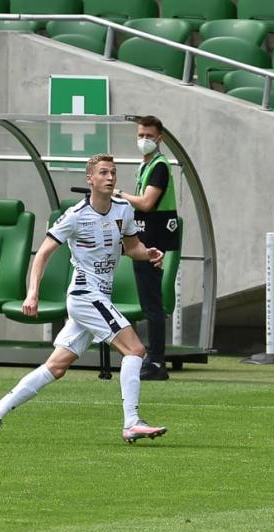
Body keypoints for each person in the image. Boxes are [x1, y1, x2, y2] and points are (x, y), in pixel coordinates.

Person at [0, 154, 167, 445]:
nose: (110, 177)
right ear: (90, 179)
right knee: (135, 349)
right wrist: (32, 292)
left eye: (113, 172)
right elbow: (42, 254)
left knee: (56, 367)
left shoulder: (124, 210)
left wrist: (149, 253)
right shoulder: (76, 215)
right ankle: (131, 423)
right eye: (103, 172)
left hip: (99, 297)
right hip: (84, 295)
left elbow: (132, 248)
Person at [113, 115, 180, 381]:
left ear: (159, 138)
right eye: (141, 135)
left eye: (149, 136)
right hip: (144, 237)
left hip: (154, 240)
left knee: (153, 305)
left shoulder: (160, 166)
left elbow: (146, 203)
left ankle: (156, 361)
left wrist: (121, 195)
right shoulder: (146, 165)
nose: (144, 140)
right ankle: (151, 359)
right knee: (147, 302)